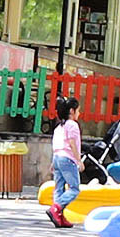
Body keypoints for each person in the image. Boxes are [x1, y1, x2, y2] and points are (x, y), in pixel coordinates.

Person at [44, 97, 84, 228]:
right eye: (78, 110)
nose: (79, 113)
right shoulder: (72, 125)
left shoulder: (59, 127)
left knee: (59, 188)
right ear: (72, 111)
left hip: (57, 158)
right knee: (74, 188)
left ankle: (59, 216)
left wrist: (53, 162)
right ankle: (56, 208)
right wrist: (79, 161)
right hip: (68, 159)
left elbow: (56, 145)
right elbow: (72, 144)